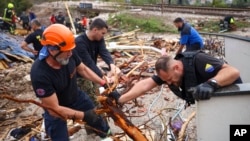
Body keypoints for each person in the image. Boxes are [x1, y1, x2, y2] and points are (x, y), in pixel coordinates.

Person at [30, 24, 111, 140]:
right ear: (52, 50)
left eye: (70, 50)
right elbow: (54, 109)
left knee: (97, 118)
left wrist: (103, 83)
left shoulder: (69, 53)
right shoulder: (40, 73)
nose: (70, 53)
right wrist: (84, 116)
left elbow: (83, 69)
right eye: (67, 51)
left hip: (75, 96)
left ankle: (106, 136)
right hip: (56, 108)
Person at [110, 51, 242, 106]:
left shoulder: (199, 60)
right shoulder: (168, 73)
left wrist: (212, 83)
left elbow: (233, 71)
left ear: (176, 68)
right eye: (166, 81)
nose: (168, 83)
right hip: (213, 103)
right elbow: (145, 85)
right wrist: (121, 99)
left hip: (234, 98)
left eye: (169, 79)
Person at [75, 18, 121, 103]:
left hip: (93, 73)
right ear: (95, 30)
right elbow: (88, 63)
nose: (103, 35)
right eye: (102, 33)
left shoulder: (99, 39)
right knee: (91, 101)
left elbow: (104, 51)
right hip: (81, 77)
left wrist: (112, 65)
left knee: (97, 96)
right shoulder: (79, 42)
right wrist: (103, 77)